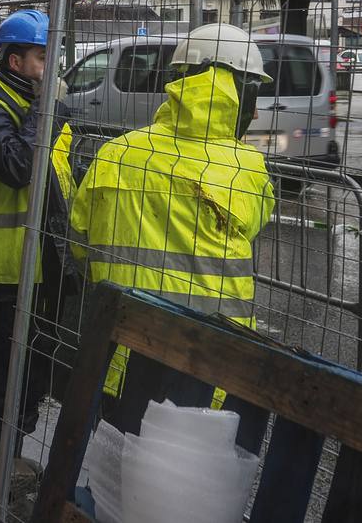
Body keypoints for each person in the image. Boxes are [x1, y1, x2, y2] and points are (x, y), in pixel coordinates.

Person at [67, 23, 276, 407]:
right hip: (211, 360)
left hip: (121, 352)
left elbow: (80, 242)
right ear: (236, 91)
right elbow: (251, 229)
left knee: (113, 456)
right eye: (254, 94)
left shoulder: (115, 154)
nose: (257, 111)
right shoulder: (248, 168)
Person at [0, 8, 75, 441]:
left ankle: (18, 436)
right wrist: (48, 108)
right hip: (2, 266)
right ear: (15, 62)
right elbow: (20, 165)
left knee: (34, 359)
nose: (51, 67)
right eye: (42, 57)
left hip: (42, 261)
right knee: (1, 360)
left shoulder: (29, 107)